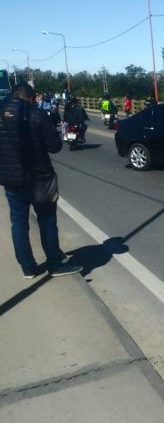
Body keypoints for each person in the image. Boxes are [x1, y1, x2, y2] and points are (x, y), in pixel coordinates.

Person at [0, 83, 82, 278]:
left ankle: (28, 268)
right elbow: (54, 147)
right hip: (40, 178)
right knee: (47, 221)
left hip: (11, 179)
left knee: (18, 224)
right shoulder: (37, 114)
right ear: (30, 98)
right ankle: (55, 264)